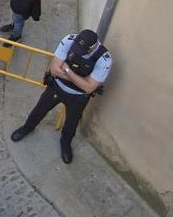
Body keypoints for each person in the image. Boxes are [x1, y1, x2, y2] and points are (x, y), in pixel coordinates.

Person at [10, 29, 112, 164]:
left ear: (91, 49)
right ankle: (27, 127)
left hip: (77, 98)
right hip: (56, 87)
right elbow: (54, 69)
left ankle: (65, 144)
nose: (76, 50)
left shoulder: (104, 59)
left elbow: (89, 87)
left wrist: (67, 70)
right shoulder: (69, 40)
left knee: (71, 123)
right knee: (39, 109)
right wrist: (82, 80)